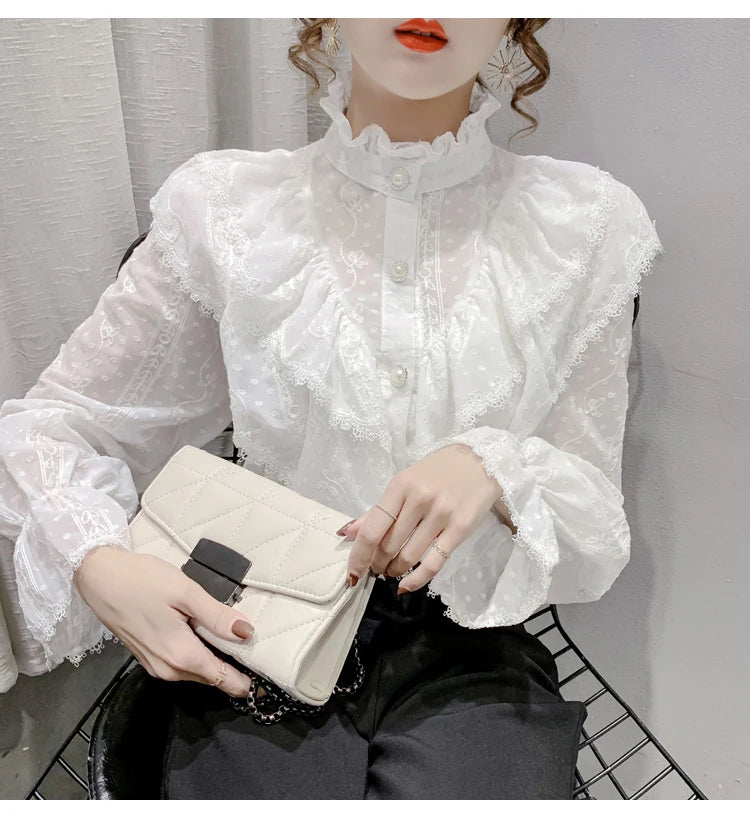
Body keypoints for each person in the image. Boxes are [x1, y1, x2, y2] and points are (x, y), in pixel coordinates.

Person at [0, 18, 664, 799]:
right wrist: (97, 560)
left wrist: (496, 466)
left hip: (470, 646)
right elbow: (59, 424)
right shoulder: (225, 210)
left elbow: (592, 512)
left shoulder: (586, 225)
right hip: (258, 619)